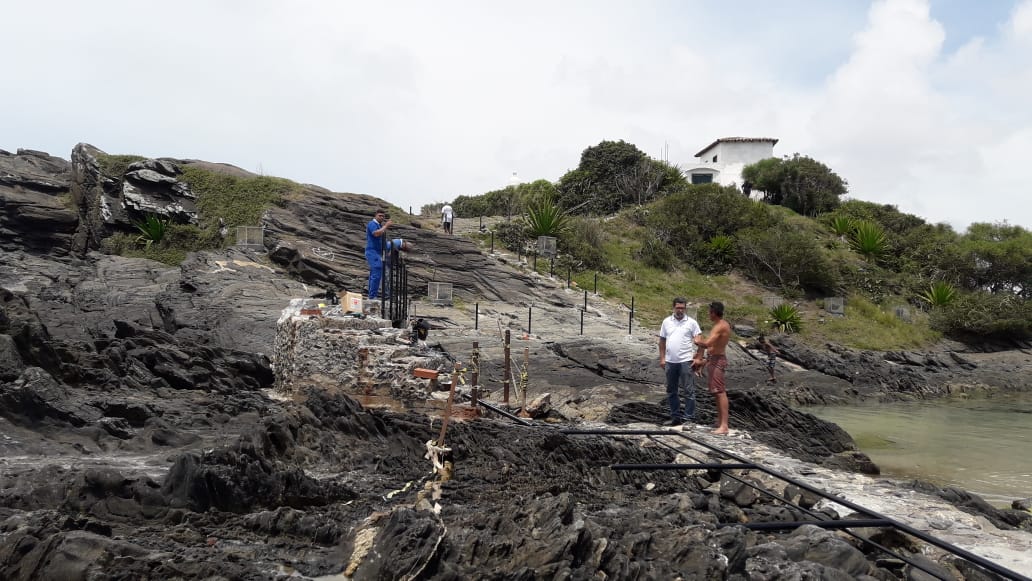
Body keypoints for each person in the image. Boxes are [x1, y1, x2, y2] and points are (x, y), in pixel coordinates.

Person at [657, 297, 703, 427]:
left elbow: (700, 341)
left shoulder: (692, 323)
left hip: (686, 361)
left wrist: (699, 358)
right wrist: (662, 358)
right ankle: (675, 417)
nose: (680, 310)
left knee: (689, 390)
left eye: (682, 308)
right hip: (670, 362)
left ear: (685, 308)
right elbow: (662, 341)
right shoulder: (666, 322)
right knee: (671, 390)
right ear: (673, 308)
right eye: (678, 307)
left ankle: (689, 418)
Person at [694, 301, 732, 435]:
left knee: (720, 392)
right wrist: (702, 360)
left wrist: (697, 340)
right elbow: (711, 346)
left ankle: (724, 426)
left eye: (709, 312)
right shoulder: (719, 325)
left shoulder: (720, 326)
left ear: (713, 313)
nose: (708, 314)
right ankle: (720, 421)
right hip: (713, 360)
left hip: (718, 361)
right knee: (716, 392)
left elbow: (707, 344)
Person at [365, 209, 392, 299]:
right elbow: (376, 234)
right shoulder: (372, 224)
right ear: (375, 215)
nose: (381, 217)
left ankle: (372, 295)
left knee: (374, 273)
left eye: (383, 216)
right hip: (372, 252)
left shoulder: (379, 225)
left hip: (378, 252)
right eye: (380, 215)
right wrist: (386, 226)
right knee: (377, 272)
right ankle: (372, 296)